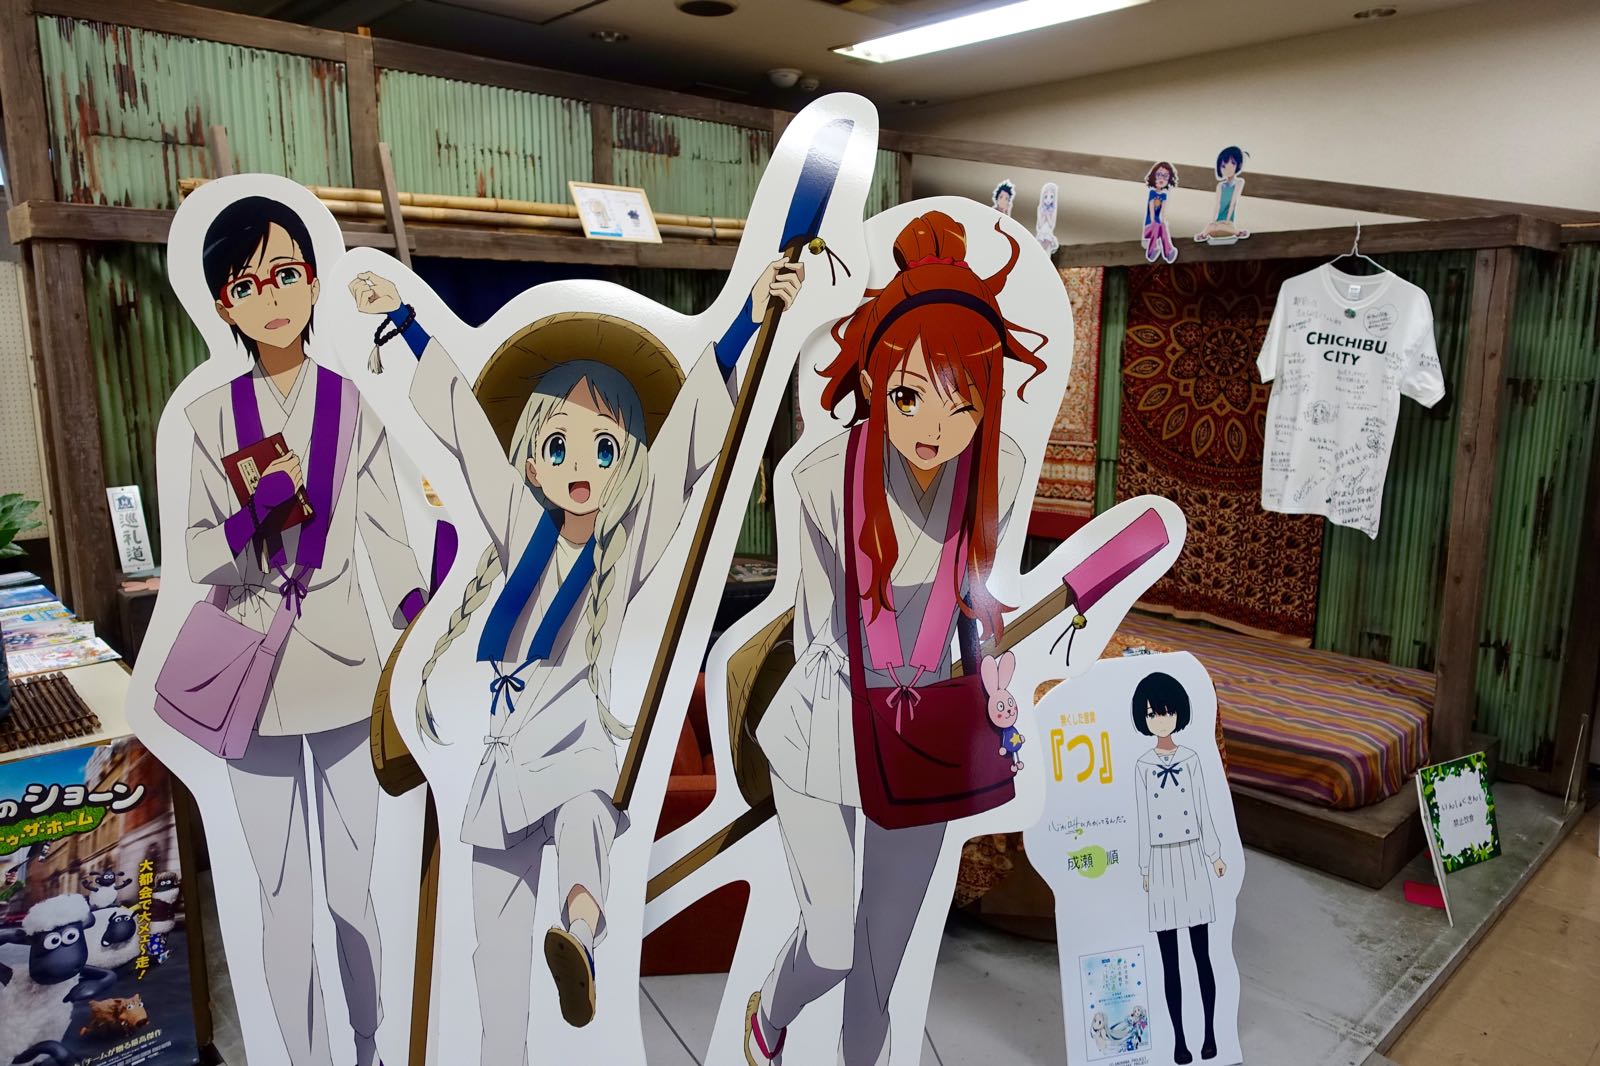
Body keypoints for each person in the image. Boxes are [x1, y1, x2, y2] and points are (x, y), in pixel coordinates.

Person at [352, 258, 801, 1062]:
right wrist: (404, 324)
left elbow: (687, 445)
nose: (580, 466)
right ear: (530, 459)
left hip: (577, 747)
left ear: (627, 461)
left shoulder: (627, 545)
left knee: (590, 815)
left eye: (604, 447)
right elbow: (463, 430)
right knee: (493, 960)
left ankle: (580, 937)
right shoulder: (515, 525)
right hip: (504, 755)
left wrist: (747, 321)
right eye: (558, 445)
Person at [744, 210, 1049, 1066]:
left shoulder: (998, 472)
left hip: (925, 731)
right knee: (832, 943)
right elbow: (812, 626)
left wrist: (989, 671)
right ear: (876, 378)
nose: (932, 426)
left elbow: (977, 595)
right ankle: (771, 1012)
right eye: (910, 395)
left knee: (878, 967)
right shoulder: (817, 477)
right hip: (829, 715)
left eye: (961, 402)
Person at [183, 196, 429, 1066]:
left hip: (346, 675)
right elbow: (200, 557)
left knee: (353, 895)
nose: (273, 297)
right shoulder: (210, 417)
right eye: (248, 285)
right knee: (280, 898)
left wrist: (421, 631)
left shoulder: (352, 406)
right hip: (250, 681)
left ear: (315, 282)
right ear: (225, 305)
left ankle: (366, 1047)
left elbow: (391, 538)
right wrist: (254, 515)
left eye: (286, 274)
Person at [1132, 671, 1226, 1064]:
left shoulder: (1191, 760)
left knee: (1202, 955)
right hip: (1161, 861)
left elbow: (1203, 808)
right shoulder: (1142, 765)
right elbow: (1143, 819)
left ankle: (1211, 1035)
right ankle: (1179, 1042)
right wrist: (1144, 867)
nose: (1160, 720)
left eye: (1166, 712)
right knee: (1169, 961)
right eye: (1152, 713)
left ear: (1178, 713)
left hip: (1190, 857)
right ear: (1144, 718)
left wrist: (1214, 854)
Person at [1194, 146, 1250, 244]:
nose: (1228, 169)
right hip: (1218, 220)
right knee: (1211, 227)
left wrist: (1227, 220)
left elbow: (1233, 202)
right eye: (1224, 166)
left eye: (1232, 164)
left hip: (1228, 221)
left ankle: (1238, 232)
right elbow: (1217, 204)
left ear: (1238, 165)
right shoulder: (1220, 186)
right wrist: (1213, 221)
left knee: (1222, 226)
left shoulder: (1239, 182)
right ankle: (1203, 235)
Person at [1143, 162, 1179, 264]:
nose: (1161, 178)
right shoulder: (1152, 193)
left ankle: (1169, 252)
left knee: (1162, 225)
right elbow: (1151, 210)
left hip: (1158, 229)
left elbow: (1163, 213)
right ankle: (1152, 250)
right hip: (1149, 228)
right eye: (1158, 175)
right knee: (1156, 224)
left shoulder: (1164, 196)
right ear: (1153, 176)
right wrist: (1154, 222)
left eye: (1165, 176)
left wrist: (1163, 223)